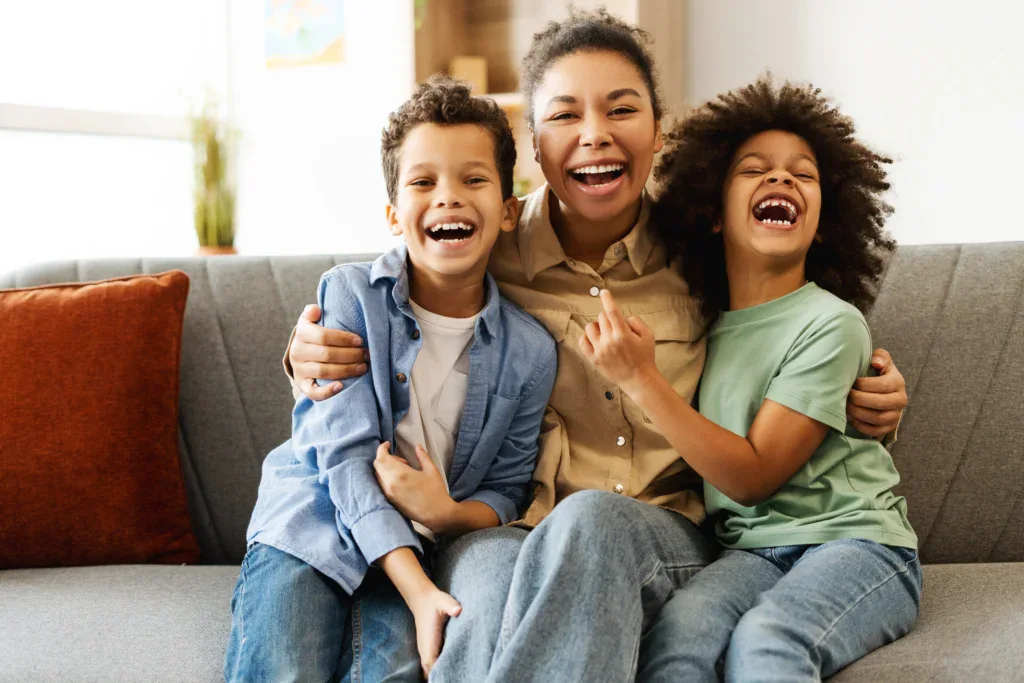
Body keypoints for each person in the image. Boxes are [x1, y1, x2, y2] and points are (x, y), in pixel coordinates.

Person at [285, 10, 909, 681]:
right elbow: (389, 301)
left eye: (621, 109)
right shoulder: (490, 240)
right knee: (477, 593)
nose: (594, 135)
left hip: (665, 531)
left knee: (591, 522)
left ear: (659, 130)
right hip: (516, 522)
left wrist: (874, 391)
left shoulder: (704, 246)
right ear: (531, 144)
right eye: (563, 115)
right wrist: (305, 354)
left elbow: (788, 318)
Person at [581, 75, 920, 681]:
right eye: (754, 169)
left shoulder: (831, 323)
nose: (782, 178)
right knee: (677, 640)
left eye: (803, 174)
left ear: (824, 222)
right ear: (712, 213)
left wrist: (641, 379)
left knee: (768, 642)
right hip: (751, 552)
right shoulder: (699, 326)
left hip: (857, 545)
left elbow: (754, 476)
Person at [224, 76, 557, 682]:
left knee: (391, 673)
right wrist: (420, 591)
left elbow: (507, 489)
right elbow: (344, 458)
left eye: (473, 179)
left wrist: (451, 515)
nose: (448, 197)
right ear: (393, 215)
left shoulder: (531, 351)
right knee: (284, 668)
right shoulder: (349, 295)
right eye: (423, 181)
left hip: (418, 547)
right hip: (313, 523)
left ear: (509, 210)